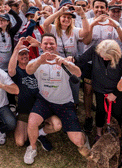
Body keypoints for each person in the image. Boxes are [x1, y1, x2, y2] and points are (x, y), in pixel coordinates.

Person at [25, 34, 89, 165]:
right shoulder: (37, 61)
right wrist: (39, 62)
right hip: (45, 100)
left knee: (79, 141)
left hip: (65, 103)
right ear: (41, 45)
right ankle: (32, 148)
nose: (48, 46)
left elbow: (78, 73)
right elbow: (29, 70)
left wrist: (66, 63)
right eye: (45, 44)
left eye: (51, 44)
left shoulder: (63, 61)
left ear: (56, 45)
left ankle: (42, 133)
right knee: (32, 122)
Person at [75, 39, 122, 140]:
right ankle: (99, 133)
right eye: (102, 56)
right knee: (100, 111)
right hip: (100, 89)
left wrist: (115, 93)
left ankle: (115, 135)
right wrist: (73, 60)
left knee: (116, 113)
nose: (103, 58)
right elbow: (81, 59)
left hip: (117, 90)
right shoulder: (95, 50)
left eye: (107, 57)